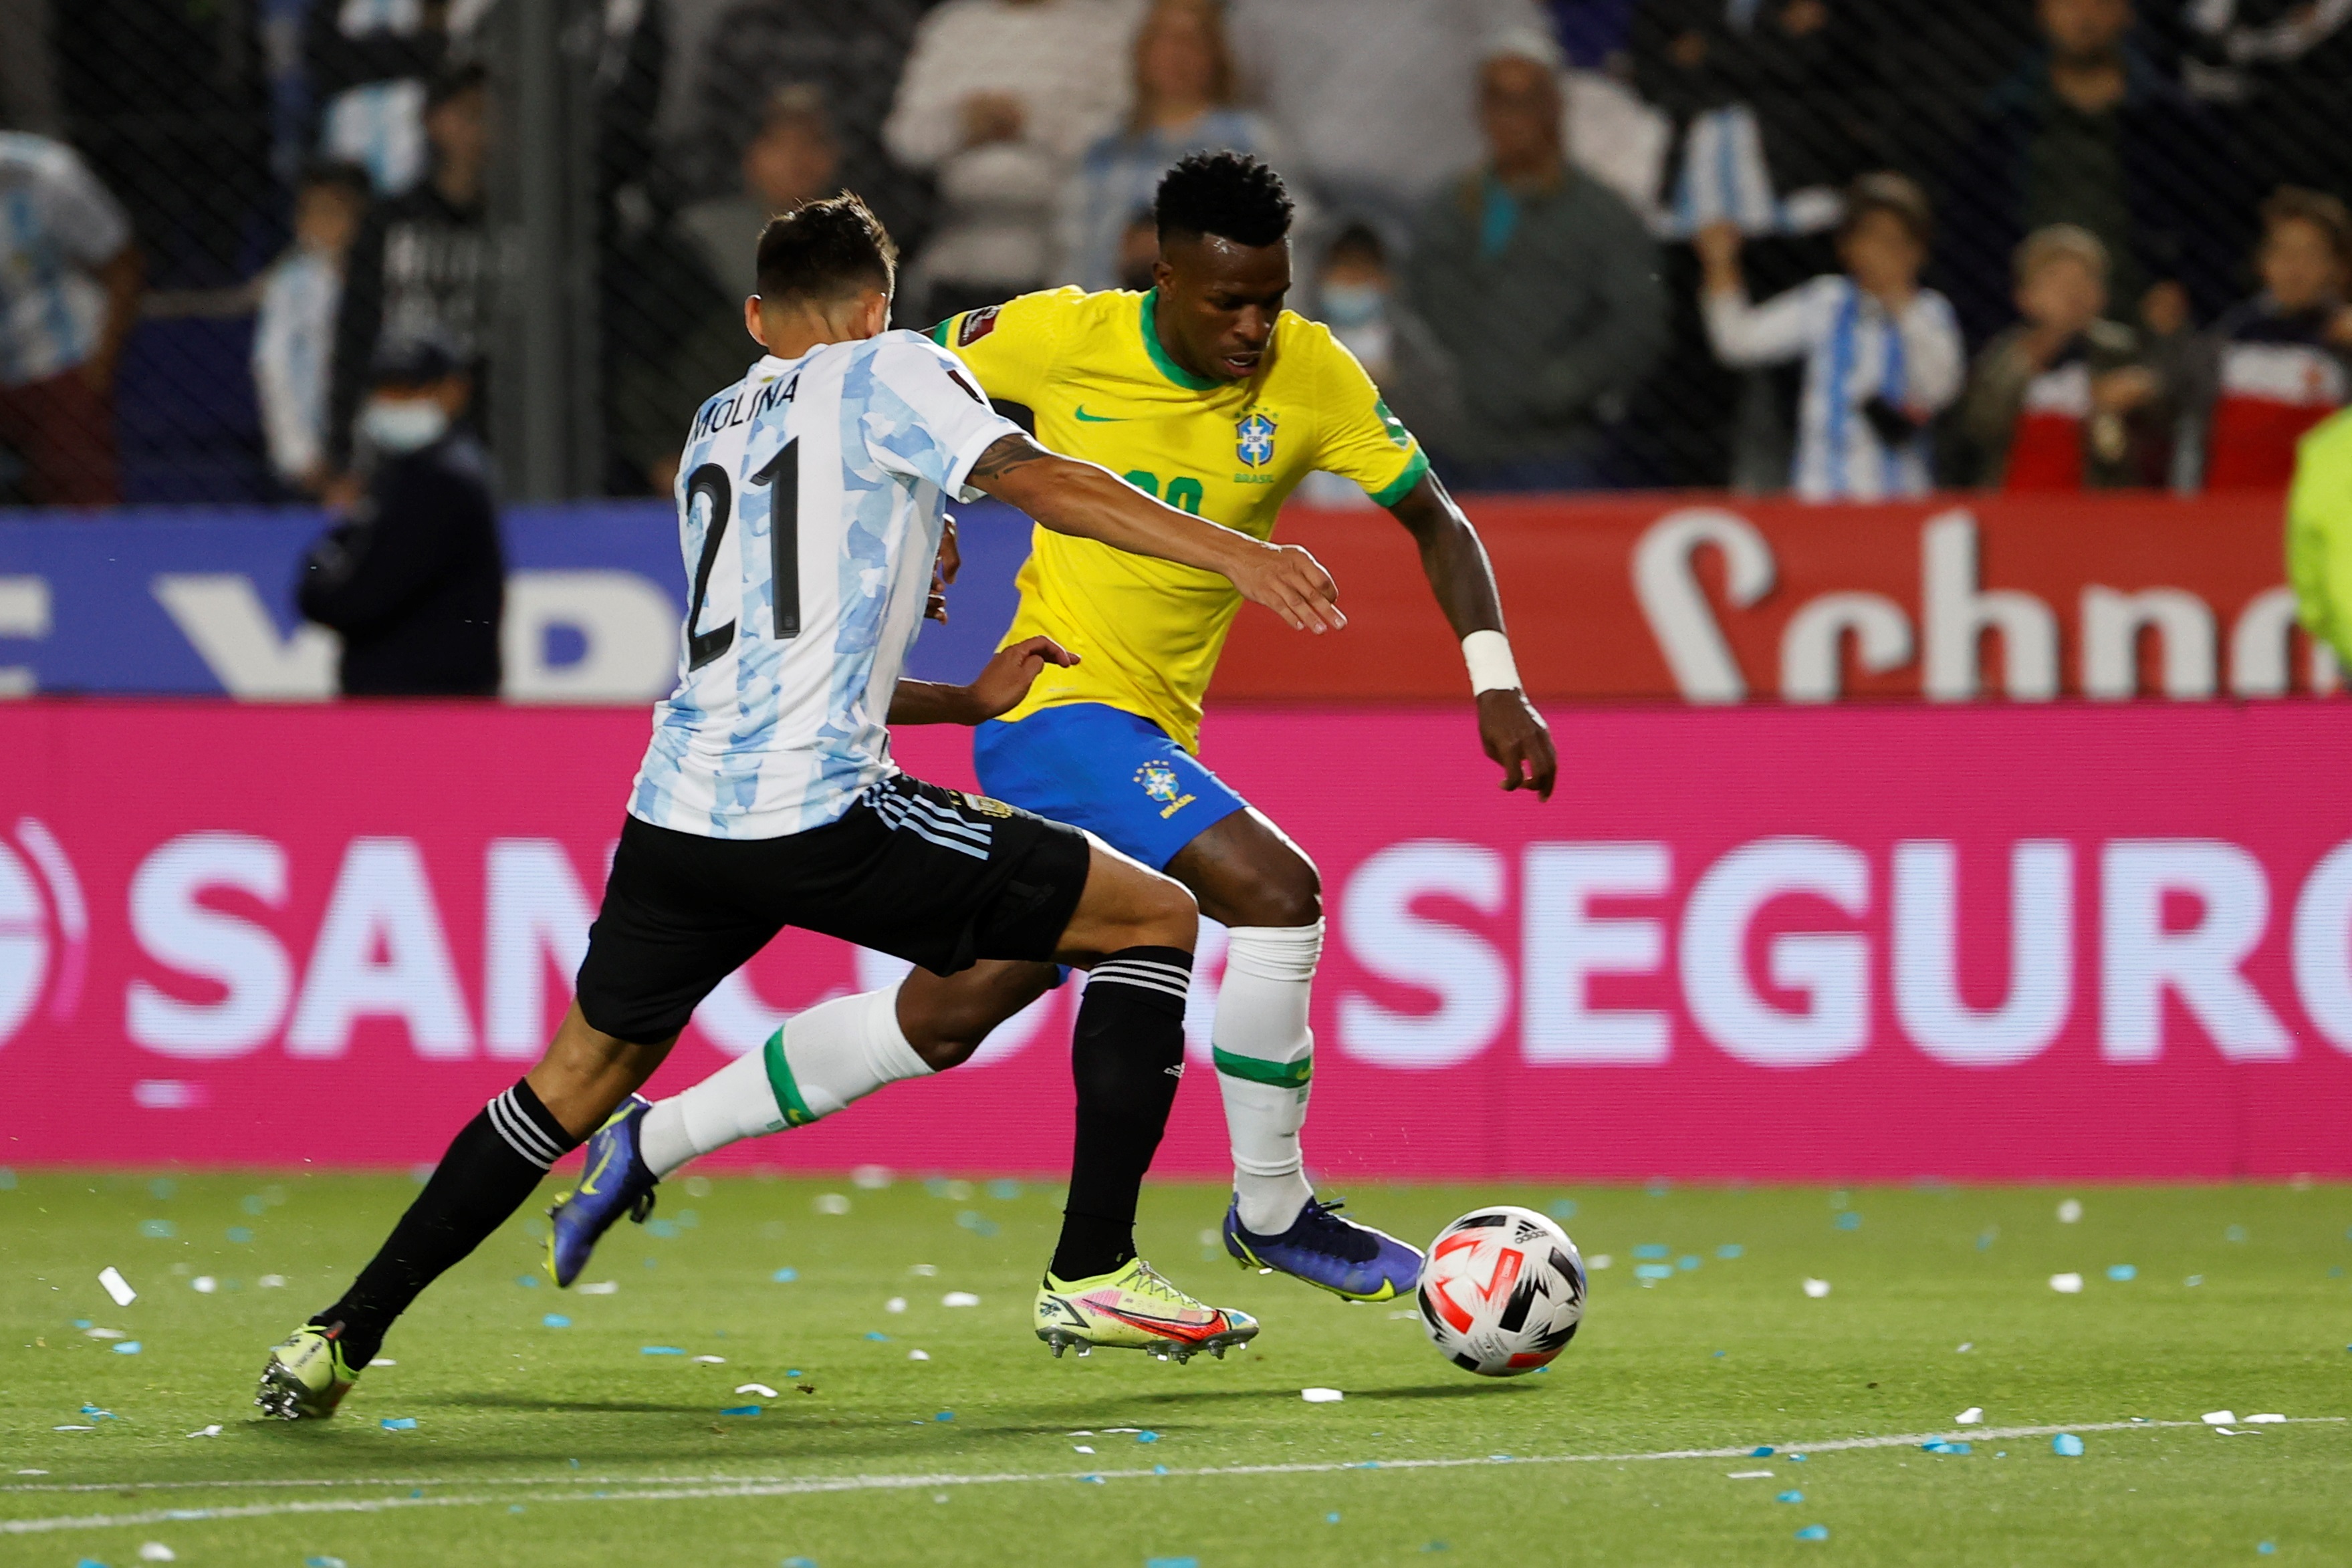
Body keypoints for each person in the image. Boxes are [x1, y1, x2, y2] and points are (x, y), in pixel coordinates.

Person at [257, 192, 1349, 1418]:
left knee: (566, 1082)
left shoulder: (715, 422)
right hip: (817, 811)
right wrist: (1232, 552)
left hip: (677, 817)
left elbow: (783, 651)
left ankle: (336, 1335)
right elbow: (1035, 476)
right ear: (877, 308)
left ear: (754, 315)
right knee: (1149, 917)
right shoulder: (892, 367)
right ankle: (1093, 1266)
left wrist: (966, 697)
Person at [557, 152, 1556, 1311]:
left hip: (1149, 730)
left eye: (1270, 301)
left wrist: (1495, 682)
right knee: (1277, 895)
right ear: (1161, 278)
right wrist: (903, 513)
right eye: (1226, 301)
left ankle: (652, 1137)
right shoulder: (1054, 334)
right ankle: (1271, 1209)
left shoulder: (1312, 375)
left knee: (942, 1017)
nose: (1253, 327)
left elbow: (1434, 519)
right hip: (1054, 712)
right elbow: (853, 378)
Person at [1404, 33, 1665, 489]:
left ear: (1553, 109)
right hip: (1453, 441)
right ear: (1481, 112)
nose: (1513, 120)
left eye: (1526, 102)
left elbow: (1638, 320)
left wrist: (1565, 384)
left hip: (1555, 448)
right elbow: (1417, 301)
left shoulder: (1599, 213)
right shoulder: (1450, 208)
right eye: (1499, 102)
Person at [1942, 0, 2233, 344]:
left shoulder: (2175, 125)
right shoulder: (2000, 124)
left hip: (2149, 346)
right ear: (2041, 10)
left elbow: (2216, 236)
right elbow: (1969, 246)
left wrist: (2184, 294)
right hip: (2030, 345)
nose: (2084, 15)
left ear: (2127, 11)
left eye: (2099, 2)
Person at [611, 86, 842, 493]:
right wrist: (660, 457)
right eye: (779, 143)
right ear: (750, 156)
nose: (798, 160)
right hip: (711, 458)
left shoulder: (860, 249)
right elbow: (638, 368)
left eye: (813, 143)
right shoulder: (696, 245)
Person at [1695, 171, 1963, 501]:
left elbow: (1939, 390)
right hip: (1821, 500)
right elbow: (1737, 344)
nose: (1881, 251)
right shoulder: (1825, 302)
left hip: (1899, 504)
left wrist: (1900, 304)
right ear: (1847, 247)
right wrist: (1720, 265)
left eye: (1896, 240)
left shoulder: (1930, 313)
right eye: (1871, 236)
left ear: (1917, 251)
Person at [883, 0, 1145, 323]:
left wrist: (1028, 123)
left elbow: (1129, 132)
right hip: (955, 255)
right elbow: (903, 139)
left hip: (1071, 261)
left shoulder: (1105, 26)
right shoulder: (952, 26)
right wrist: (961, 124)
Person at [1226, 0, 1550, 246]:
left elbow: (1523, 49)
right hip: (1313, 217)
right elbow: (1230, 84)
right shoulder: (1257, 9)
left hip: (1447, 209)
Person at [295, 336, 503, 696]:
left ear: (452, 392)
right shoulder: (413, 473)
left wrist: (318, 573)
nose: (394, 402)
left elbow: (353, 598)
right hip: (422, 699)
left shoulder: (438, 482)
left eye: (409, 390)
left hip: (421, 706)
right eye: (387, 390)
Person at [327, 65, 491, 484]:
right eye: (470, 113)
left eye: (495, 113)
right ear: (433, 121)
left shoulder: (525, 226)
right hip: (405, 410)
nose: (486, 128)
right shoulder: (390, 221)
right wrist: (341, 451)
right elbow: (356, 332)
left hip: (499, 418)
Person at [1056, 0, 1290, 292]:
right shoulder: (1103, 147)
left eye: (1191, 43)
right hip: (1107, 321)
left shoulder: (1252, 142)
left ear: (1216, 55)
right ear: (1142, 52)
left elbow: (1281, 243)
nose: (1177, 56)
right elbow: (1070, 250)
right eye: (1164, 41)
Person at [1956, 223, 2167, 491]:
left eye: (2084, 279)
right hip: (2014, 502)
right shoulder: (2005, 356)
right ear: (2025, 296)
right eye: (2055, 279)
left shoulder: (2121, 351)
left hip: (2094, 504)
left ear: (2102, 295)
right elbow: (1979, 430)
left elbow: (2158, 429)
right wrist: (2045, 347)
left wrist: (2136, 397)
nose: (2072, 291)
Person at [2178, 186, 2352, 492]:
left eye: (2311, 254)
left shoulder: (2344, 344)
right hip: (2228, 514)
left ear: (2336, 268)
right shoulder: (2229, 339)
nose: (2295, 267)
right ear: (2263, 262)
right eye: (2283, 252)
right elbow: (2192, 435)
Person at [0, 130, 139, 507]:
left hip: (62, 364)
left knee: (83, 512)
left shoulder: (49, 174)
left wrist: (97, 369)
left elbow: (122, 265)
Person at [1298, 223, 1463, 502]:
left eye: (1364, 271)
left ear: (1386, 278)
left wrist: (1389, 387)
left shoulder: (1410, 344)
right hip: (1308, 507)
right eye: (1343, 269)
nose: (1352, 281)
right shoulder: (1297, 341)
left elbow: (1444, 419)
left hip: (1389, 509)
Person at [253, 162, 372, 497]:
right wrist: (299, 456)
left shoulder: (382, 283)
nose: (319, 225)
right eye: (310, 213)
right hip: (312, 451)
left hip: (374, 451)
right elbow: (272, 366)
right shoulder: (289, 285)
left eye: (333, 213)